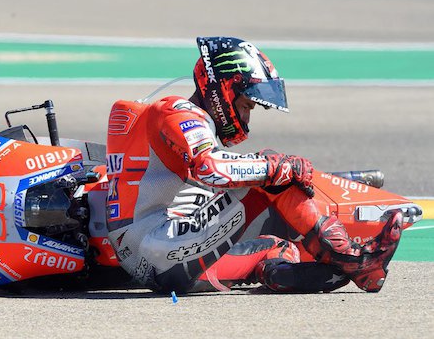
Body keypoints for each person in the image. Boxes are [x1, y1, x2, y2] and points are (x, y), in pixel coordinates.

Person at [105, 36, 403, 294]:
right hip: (158, 245)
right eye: (246, 105)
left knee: (282, 250)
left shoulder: (181, 123)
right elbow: (210, 169)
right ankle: (355, 260)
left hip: (148, 256)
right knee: (272, 173)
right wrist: (280, 167)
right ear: (224, 89)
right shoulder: (176, 112)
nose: (246, 118)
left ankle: (323, 269)